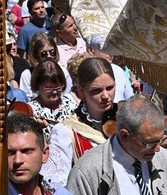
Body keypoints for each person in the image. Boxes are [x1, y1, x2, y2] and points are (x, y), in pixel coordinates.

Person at [48, 57, 117, 186]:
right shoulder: (66, 131)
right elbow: (58, 185)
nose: (106, 96)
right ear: (80, 89)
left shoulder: (126, 119)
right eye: (96, 90)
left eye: (110, 87)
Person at [28, 60, 79, 141]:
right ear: (38, 85)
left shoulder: (71, 104)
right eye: (49, 88)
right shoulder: (31, 111)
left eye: (58, 87)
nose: (55, 92)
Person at [19, 32, 70, 99]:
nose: (49, 56)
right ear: (36, 55)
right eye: (43, 54)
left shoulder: (63, 71)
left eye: (52, 52)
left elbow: (67, 94)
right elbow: (27, 99)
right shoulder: (27, 75)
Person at [86, 33, 135, 102]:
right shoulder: (86, 72)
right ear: (91, 50)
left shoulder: (118, 70)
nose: (109, 53)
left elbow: (130, 97)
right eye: (104, 49)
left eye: (110, 48)